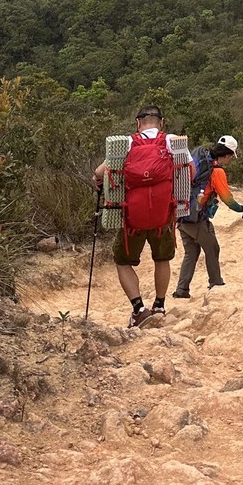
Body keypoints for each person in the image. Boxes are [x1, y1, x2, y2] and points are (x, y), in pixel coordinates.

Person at [93, 105, 188, 327]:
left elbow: (100, 173)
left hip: (132, 219)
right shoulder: (173, 141)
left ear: (138, 124)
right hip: (163, 215)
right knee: (162, 259)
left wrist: (98, 180)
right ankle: (160, 306)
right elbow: (187, 170)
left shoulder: (126, 143)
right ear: (161, 123)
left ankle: (138, 309)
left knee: (122, 261)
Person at [172, 135, 243, 299]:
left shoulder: (201, 161)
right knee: (213, 248)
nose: (230, 161)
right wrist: (242, 208)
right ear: (227, 155)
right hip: (196, 219)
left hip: (182, 214)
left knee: (191, 252)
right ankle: (216, 283)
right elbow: (227, 199)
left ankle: (182, 290)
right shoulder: (217, 171)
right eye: (231, 157)